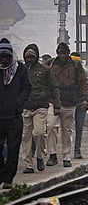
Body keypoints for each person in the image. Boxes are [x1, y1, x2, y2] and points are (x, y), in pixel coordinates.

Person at [47, 42, 88, 167]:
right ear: (57, 53)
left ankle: (66, 157)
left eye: (64, 53)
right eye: (60, 53)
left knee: (67, 131)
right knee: (51, 127)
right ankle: (52, 155)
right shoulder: (50, 64)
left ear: (68, 53)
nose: (62, 55)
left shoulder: (76, 66)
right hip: (54, 102)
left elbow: (83, 82)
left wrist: (85, 99)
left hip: (69, 102)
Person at [21, 44, 60, 174]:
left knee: (39, 133)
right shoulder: (21, 71)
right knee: (26, 136)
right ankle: (28, 164)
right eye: (27, 57)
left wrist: (57, 104)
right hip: (26, 107)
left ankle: (39, 156)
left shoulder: (45, 70)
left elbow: (54, 87)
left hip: (41, 106)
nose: (29, 59)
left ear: (36, 56)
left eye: (32, 57)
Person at [0, 38, 31, 189]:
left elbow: (26, 88)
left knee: (13, 149)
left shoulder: (20, 69)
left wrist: (18, 104)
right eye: (2, 56)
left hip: (14, 117)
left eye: (7, 56)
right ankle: (2, 172)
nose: (4, 59)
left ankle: (8, 178)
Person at [70, 52, 88, 159]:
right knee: (67, 128)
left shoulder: (83, 71)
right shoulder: (65, 71)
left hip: (80, 101)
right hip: (68, 102)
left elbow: (85, 85)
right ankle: (68, 151)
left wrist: (85, 99)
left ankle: (77, 149)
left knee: (79, 127)